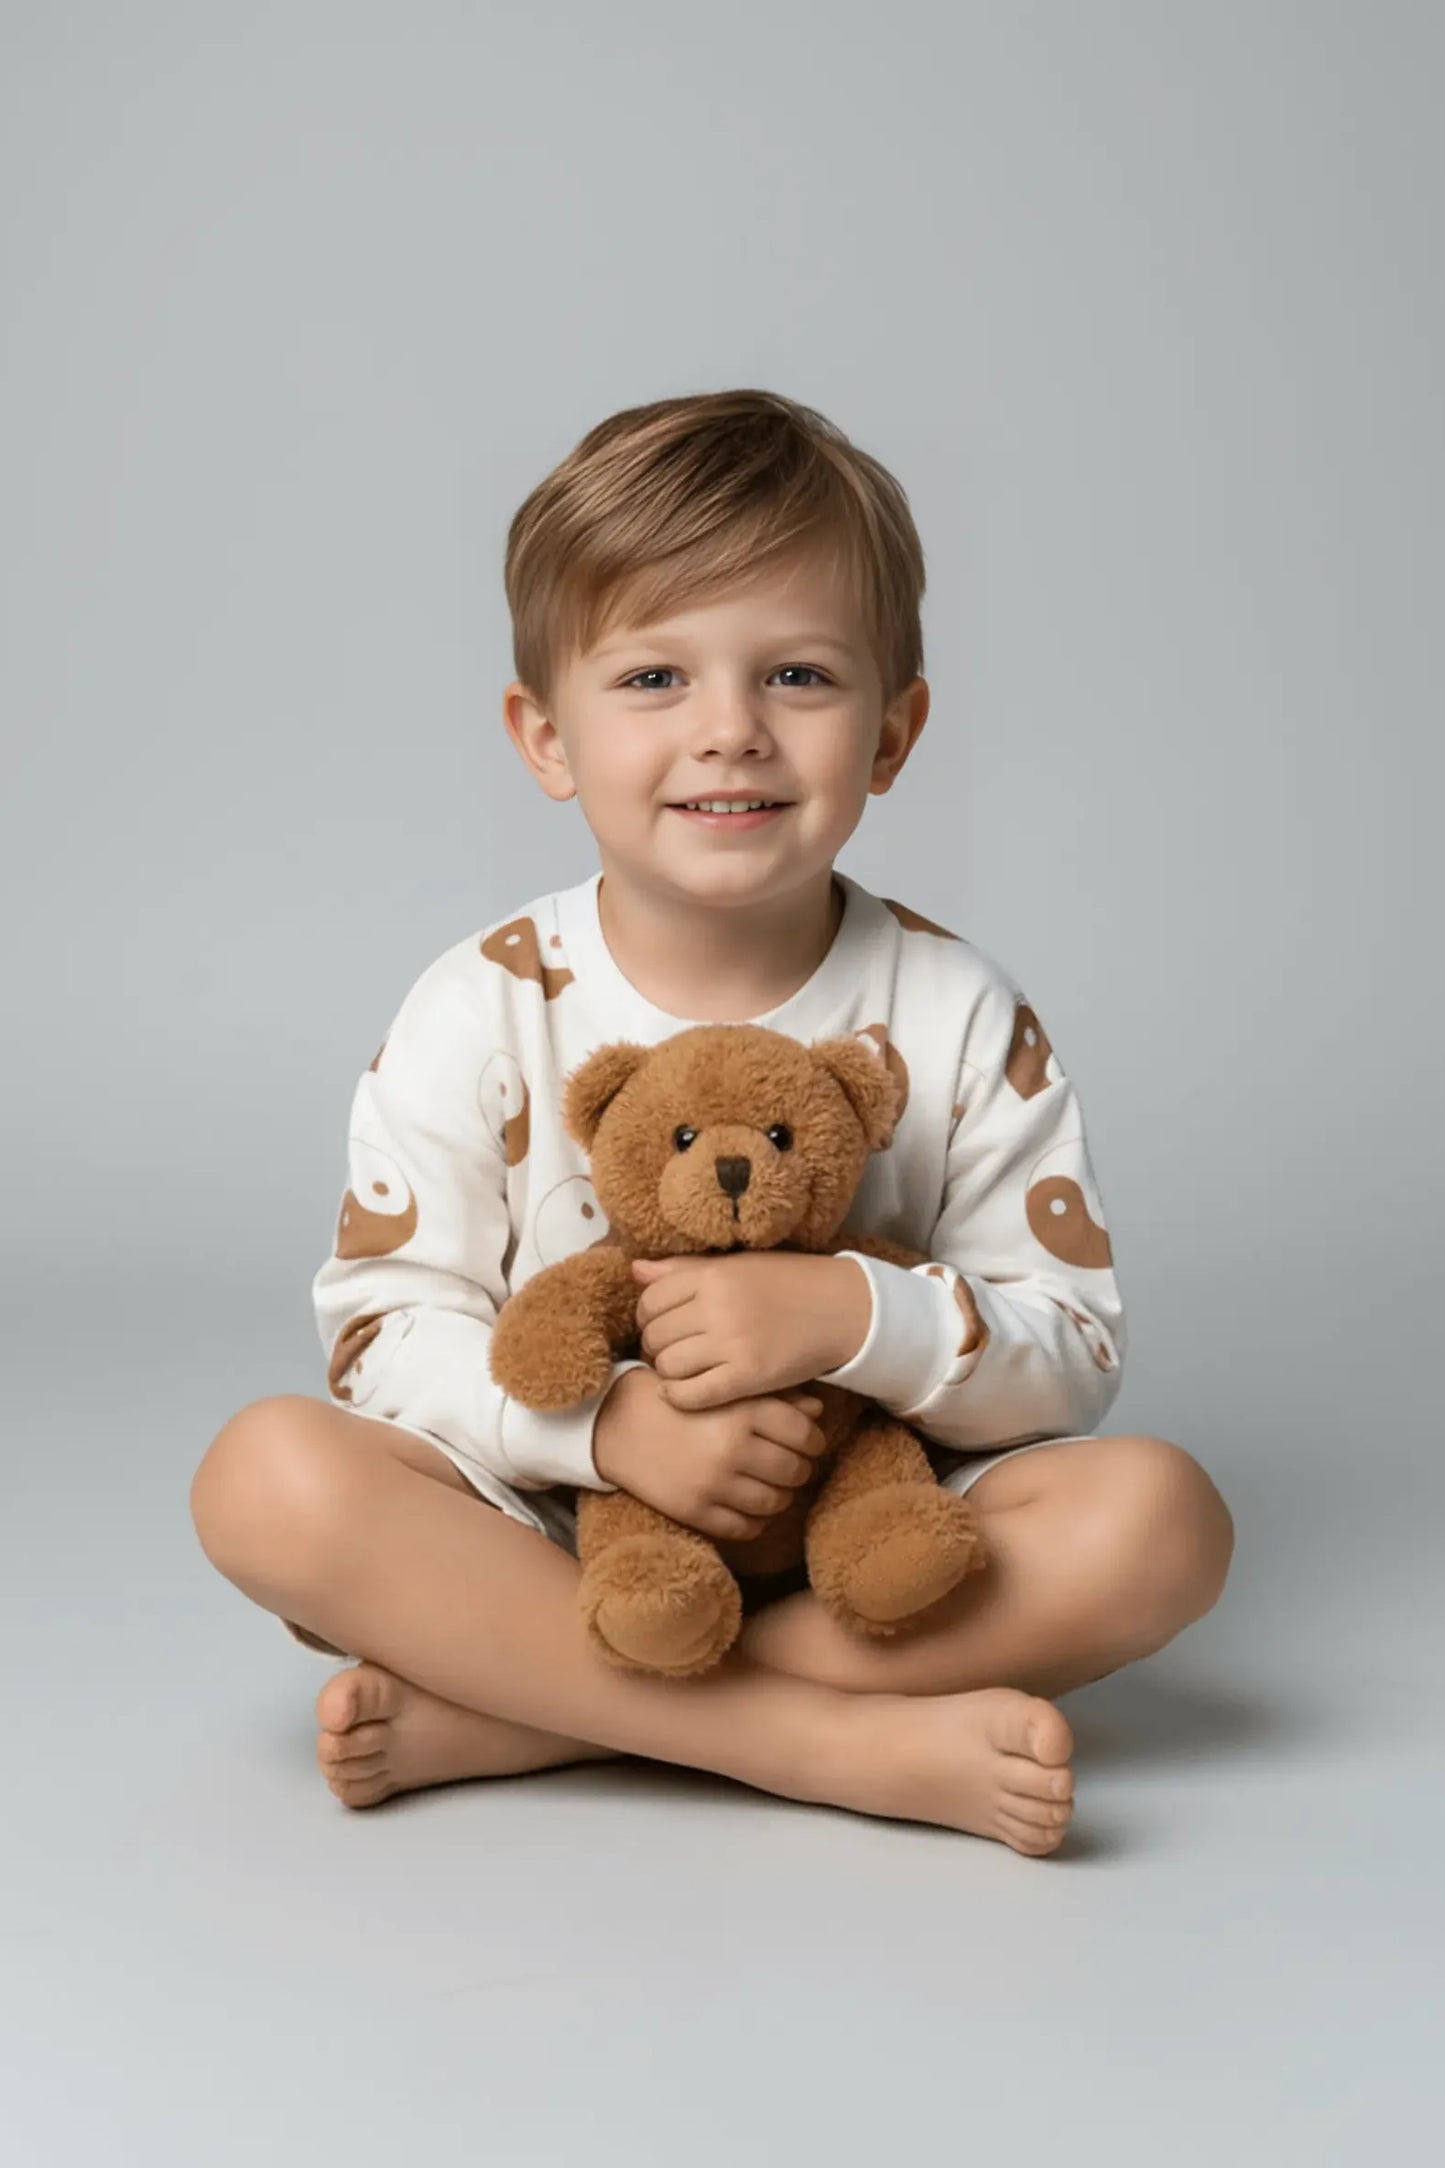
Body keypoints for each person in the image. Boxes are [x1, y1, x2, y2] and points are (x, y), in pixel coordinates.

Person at [189, 388, 1234, 1855]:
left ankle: (533, 1716)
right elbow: (381, 1337)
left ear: (892, 731)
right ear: (545, 737)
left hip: (862, 1557)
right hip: (548, 1547)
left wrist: (850, 1315)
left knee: (1162, 1522)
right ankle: (820, 1747)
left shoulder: (950, 1012)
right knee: (265, 1477)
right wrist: (607, 1431)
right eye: (655, 679)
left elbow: (1069, 1357)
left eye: (799, 676)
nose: (730, 733)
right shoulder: (479, 1005)